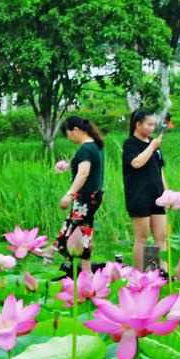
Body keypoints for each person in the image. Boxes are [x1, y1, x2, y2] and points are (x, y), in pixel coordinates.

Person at [55, 114, 107, 272]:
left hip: (86, 196)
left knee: (78, 229)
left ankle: (54, 251)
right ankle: (84, 268)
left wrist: (69, 194)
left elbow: (83, 173)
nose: (69, 138)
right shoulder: (96, 146)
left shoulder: (86, 148)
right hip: (95, 195)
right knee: (80, 228)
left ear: (75, 130)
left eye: (68, 134)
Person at [121, 108, 172, 266]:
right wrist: (152, 147)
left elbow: (160, 170)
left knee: (161, 237)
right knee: (142, 237)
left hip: (157, 197)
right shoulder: (130, 144)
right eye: (149, 125)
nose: (152, 128)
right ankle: (139, 275)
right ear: (138, 125)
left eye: (153, 125)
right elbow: (136, 163)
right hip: (138, 196)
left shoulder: (154, 144)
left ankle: (163, 274)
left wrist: (166, 193)